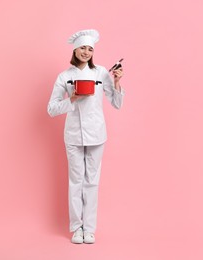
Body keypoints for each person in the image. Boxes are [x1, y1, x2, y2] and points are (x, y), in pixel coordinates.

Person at [47, 29, 125, 244]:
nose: (87, 52)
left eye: (90, 49)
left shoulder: (101, 73)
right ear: (75, 49)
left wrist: (116, 82)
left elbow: (116, 103)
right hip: (73, 135)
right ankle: (76, 228)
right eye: (83, 48)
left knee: (92, 181)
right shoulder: (65, 76)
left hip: (97, 134)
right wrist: (71, 99)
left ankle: (89, 228)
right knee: (75, 182)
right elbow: (52, 109)